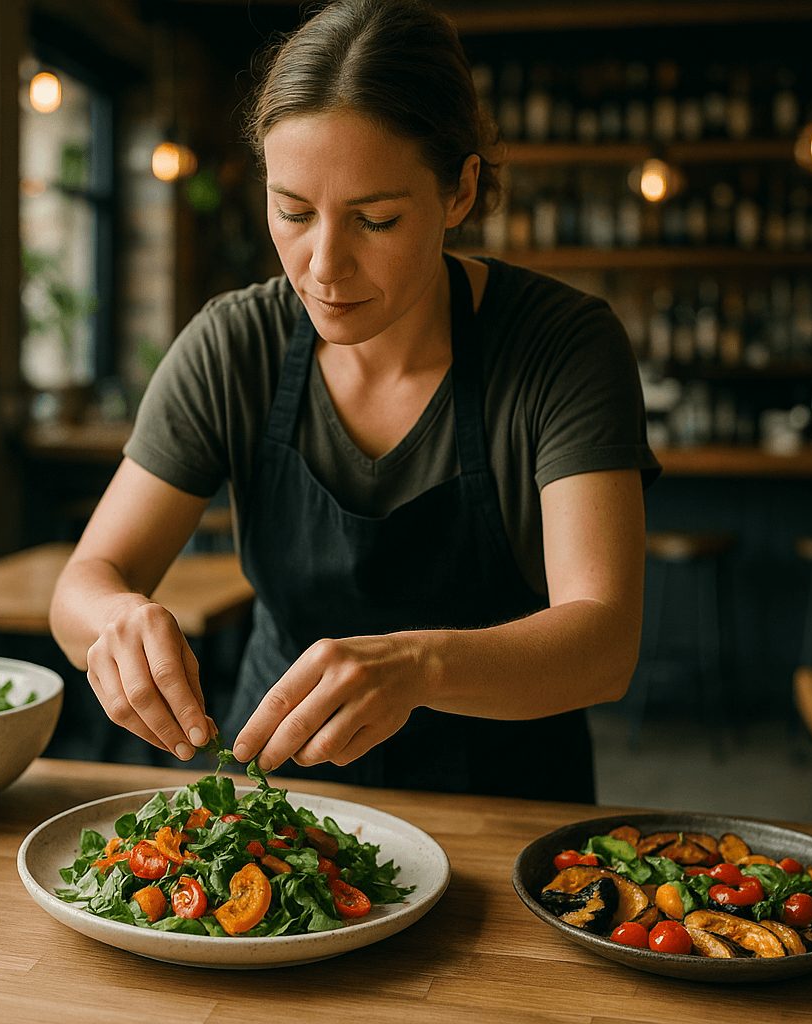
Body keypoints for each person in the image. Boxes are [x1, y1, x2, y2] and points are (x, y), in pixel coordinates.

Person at [49, 0, 660, 802]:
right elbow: (85, 581)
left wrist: (418, 668)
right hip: (278, 799)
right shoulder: (234, 345)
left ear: (460, 191)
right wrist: (118, 621)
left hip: (505, 807)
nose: (324, 265)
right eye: (293, 212)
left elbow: (604, 642)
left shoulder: (562, 346)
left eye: (375, 219)